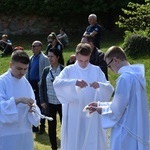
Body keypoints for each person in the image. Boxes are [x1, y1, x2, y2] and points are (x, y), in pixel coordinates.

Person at [86, 46, 150, 150]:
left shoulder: (124, 78)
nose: (110, 70)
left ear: (115, 60)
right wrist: (101, 104)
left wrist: (100, 109)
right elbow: (123, 104)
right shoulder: (137, 76)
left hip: (126, 130)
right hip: (136, 127)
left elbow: (117, 110)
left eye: (109, 66)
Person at [53, 43, 114, 150]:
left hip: (93, 113)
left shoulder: (96, 70)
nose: (84, 64)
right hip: (74, 112)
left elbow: (109, 88)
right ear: (76, 56)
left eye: (86, 60)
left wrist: (100, 85)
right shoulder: (69, 70)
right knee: (75, 138)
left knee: (91, 138)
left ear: (90, 56)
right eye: (81, 60)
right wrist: (74, 83)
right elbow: (57, 83)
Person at [0, 50, 41, 150]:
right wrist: (18, 100)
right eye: (19, 69)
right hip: (7, 132)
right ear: (11, 65)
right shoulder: (2, 81)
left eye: (25, 69)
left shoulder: (25, 82)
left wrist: (33, 108)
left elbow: (33, 101)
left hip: (25, 130)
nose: (22, 72)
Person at [40, 48, 64, 150]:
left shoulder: (64, 70)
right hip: (49, 103)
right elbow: (41, 87)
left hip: (62, 103)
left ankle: (66, 145)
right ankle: (53, 146)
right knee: (51, 126)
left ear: (58, 57)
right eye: (48, 56)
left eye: (52, 56)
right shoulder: (46, 70)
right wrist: (42, 101)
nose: (49, 58)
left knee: (65, 125)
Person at [26, 40, 50, 134]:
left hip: (39, 84)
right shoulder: (31, 58)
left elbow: (47, 72)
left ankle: (42, 126)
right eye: (32, 46)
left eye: (35, 46)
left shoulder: (44, 58)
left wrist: (42, 83)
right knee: (33, 104)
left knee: (41, 104)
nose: (33, 48)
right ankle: (35, 125)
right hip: (31, 84)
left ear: (40, 47)